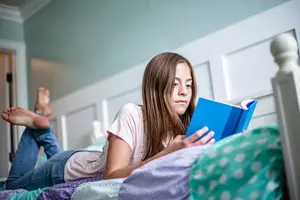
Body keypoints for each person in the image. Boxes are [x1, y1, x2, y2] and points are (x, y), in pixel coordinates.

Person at [1, 52, 215, 191]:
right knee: (11, 187)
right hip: (66, 168)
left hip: (84, 157)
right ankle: (40, 121)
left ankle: (41, 122)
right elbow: (110, 176)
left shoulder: (186, 127)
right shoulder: (132, 114)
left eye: (188, 85)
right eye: (175, 83)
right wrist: (167, 153)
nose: (183, 92)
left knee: (52, 154)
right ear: (157, 87)